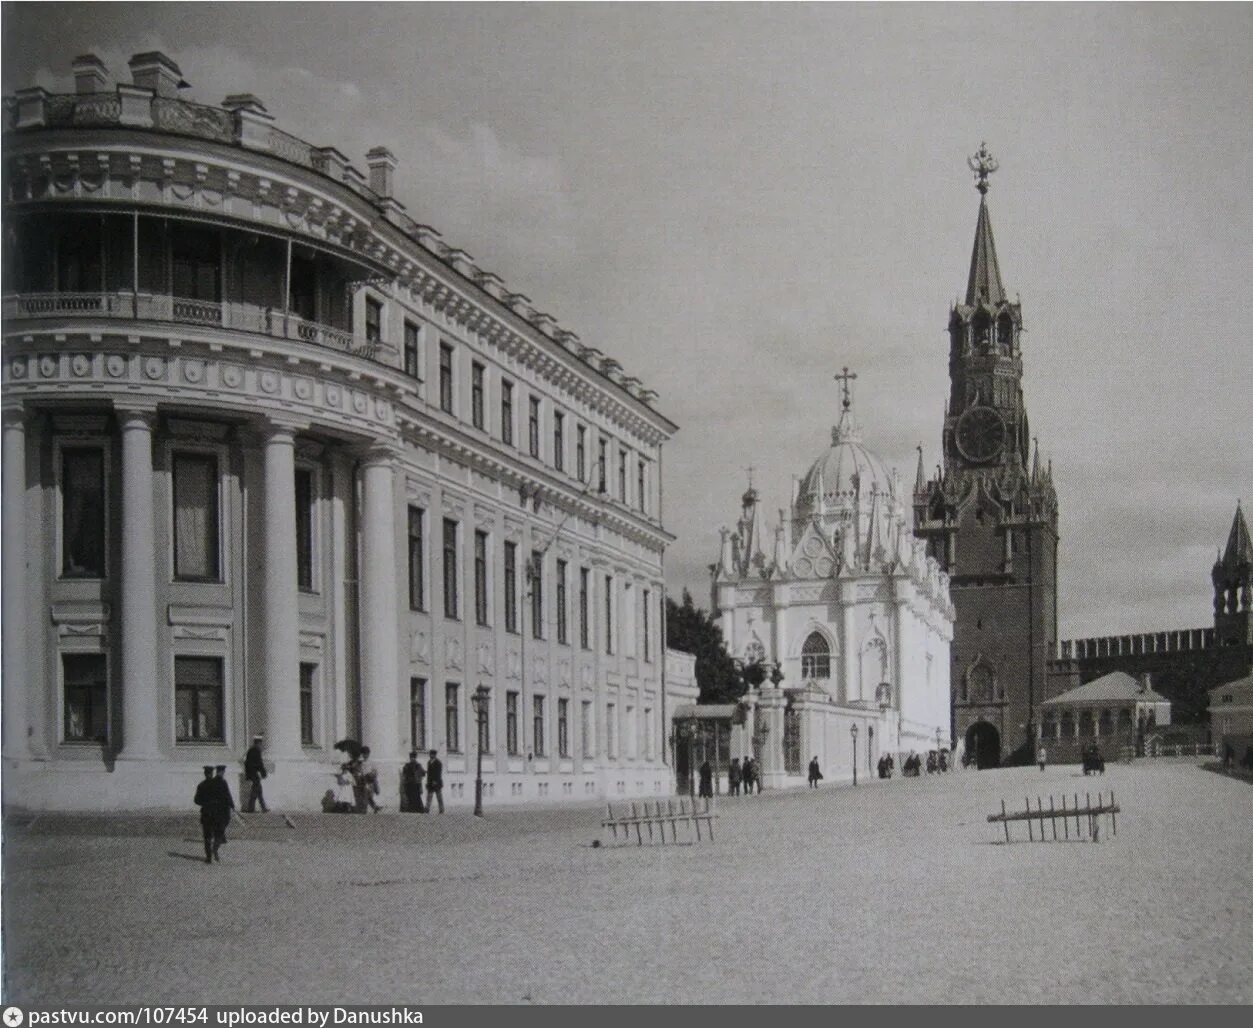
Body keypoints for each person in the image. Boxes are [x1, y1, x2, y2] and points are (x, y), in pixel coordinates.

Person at [243, 735, 268, 813]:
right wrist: (263, 773)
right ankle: (251, 808)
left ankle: (263, 808)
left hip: (252, 773)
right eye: (260, 743)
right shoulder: (256, 751)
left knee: (259, 791)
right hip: (254, 774)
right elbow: (259, 763)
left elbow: (247, 763)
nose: (261, 745)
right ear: (258, 742)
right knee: (255, 791)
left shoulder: (251, 750)